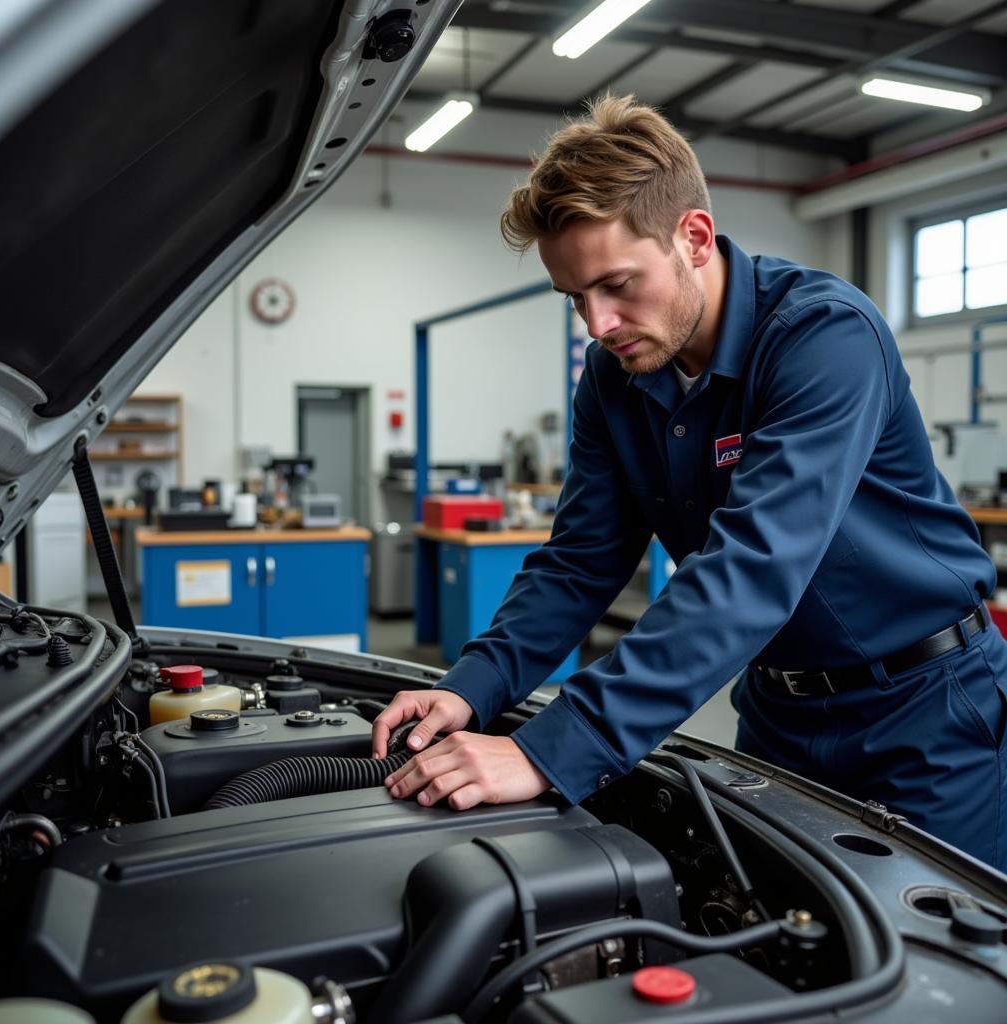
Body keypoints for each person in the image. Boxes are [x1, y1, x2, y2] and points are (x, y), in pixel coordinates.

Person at [372, 95, 1007, 870]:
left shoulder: (823, 337)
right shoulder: (613, 379)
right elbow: (580, 560)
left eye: (616, 284)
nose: (597, 325)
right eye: (575, 297)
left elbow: (753, 566)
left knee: (940, 964)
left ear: (694, 238)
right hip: (779, 710)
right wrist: (474, 686)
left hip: (928, 710)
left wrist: (552, 749)